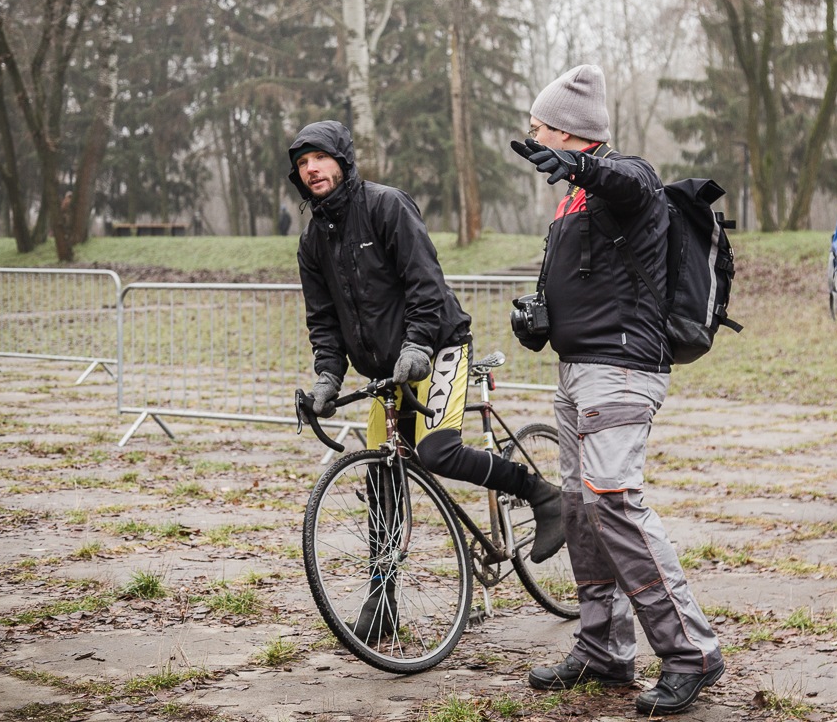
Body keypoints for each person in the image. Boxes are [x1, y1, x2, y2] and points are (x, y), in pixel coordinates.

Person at [288, 120, 565, 636]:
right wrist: (327, 378)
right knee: (383, 480)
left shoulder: (386, 205)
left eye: (319, 158)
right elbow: (323, 320)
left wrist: (417, 343)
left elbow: (426, 283)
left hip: (438, 346)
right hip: (386, 372)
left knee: (437, 452)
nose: (311, 169)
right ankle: (383, 599)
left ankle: (543, 494)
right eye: (302, 163)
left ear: (342, 161)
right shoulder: (312, 242)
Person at [510, 65, 724, 716]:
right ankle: (603, 647)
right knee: (581, 509)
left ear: (569, 132)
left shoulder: (628, 178)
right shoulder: (571, 201)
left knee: (612, 499)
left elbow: (627, 179)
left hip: (624, 367)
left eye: (540, 126)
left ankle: (691, 652)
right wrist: (539, 317)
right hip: (576, 369)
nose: (532, 135)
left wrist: (581, 166)